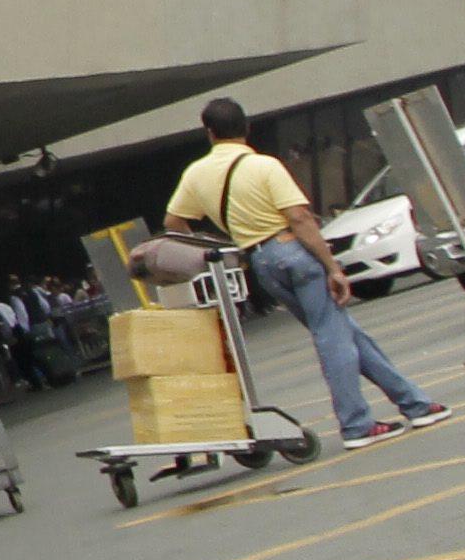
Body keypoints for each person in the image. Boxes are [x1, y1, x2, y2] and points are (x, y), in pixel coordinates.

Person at [165, 96, 450, 447]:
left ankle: (415, 404)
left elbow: (173, 222)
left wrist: (222, 242)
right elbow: (299, 217)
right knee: (334, 338)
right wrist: (333, 267)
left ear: (209, 133)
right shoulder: (264, 166)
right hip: (293, 253)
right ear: (247, 127)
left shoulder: (196, 175)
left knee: (345, 331)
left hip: (260, 261)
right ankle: (356, 425)